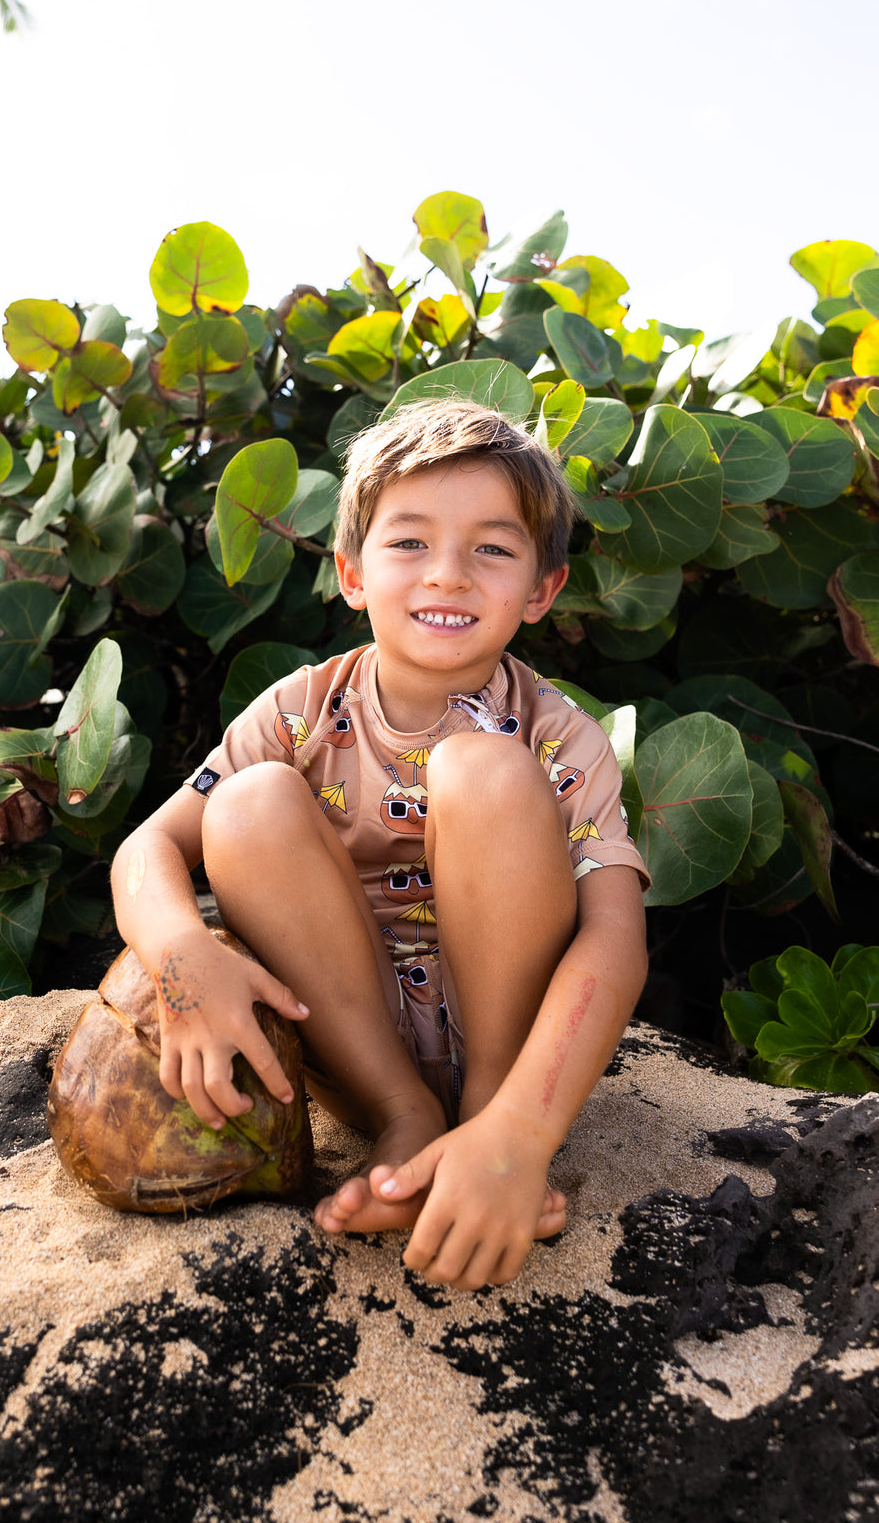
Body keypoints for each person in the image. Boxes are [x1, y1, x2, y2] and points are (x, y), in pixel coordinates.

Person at [110, 397, 649, 1291]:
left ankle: (485, 1135)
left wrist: (523, 1130)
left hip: (516, 1057)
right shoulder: (298, 712)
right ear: (352, 574)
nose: (448, 574)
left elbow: (616, 940)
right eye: (409, 542)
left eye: (493, 549)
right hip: (356, 1057)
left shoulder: (560, 735)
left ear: (541, 590)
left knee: (484, 769)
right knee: (245, 803)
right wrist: (180, 955)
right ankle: (407, 1123)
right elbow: (147, 848)